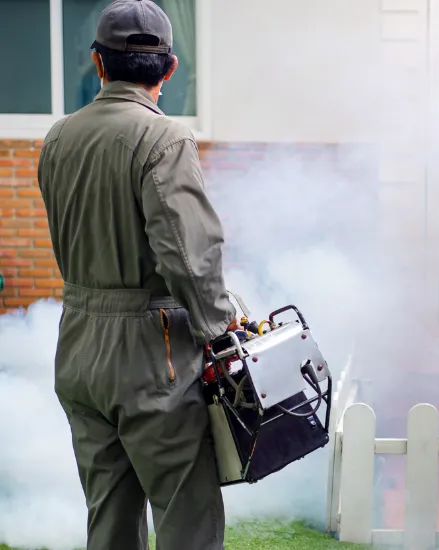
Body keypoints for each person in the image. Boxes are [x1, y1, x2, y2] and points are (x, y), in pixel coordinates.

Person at [37, 1, 240, 548]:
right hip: (153, 355)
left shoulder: (57, 139)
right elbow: (188, 255)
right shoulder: (164, 139)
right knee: (186, 521)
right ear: (170, 69)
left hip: (78, 345)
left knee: (109, 522)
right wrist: (223, 330)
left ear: (98, 65)